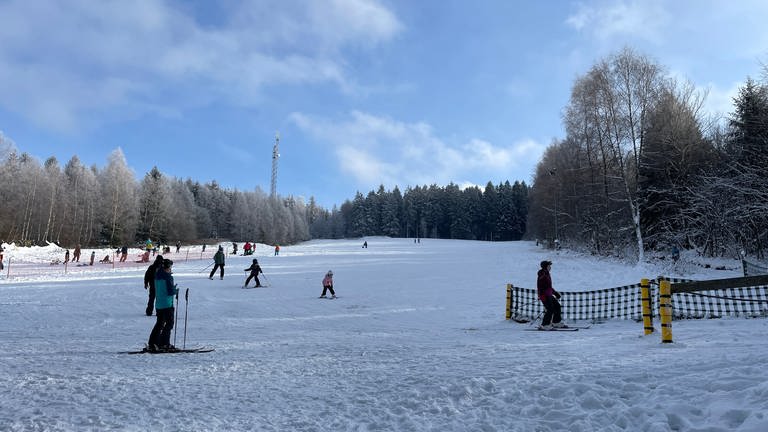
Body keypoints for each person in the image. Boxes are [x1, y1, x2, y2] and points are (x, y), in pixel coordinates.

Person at [147, 259, 178, 352]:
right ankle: (164, 343)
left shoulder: (157, 275)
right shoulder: (168, 277)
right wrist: (175, 290)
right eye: (170, 267)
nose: (170, 269)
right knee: (169, 324)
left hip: (159, 304)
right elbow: (170, 291)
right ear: (167, 267)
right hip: (167, 304)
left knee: (159, 324)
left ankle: (153, 342)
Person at [537, 260, 564, 330]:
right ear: (545, 267)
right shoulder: (542, 274)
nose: (550, 267)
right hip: (544, 295)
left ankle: (556, 322)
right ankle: (545, 325)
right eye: (549, 266)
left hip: (548, 294)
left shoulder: (547, 274)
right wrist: (542, 295)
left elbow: (548, 287)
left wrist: (555, 293)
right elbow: (541, 286)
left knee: (557, 306)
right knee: (550, 309)